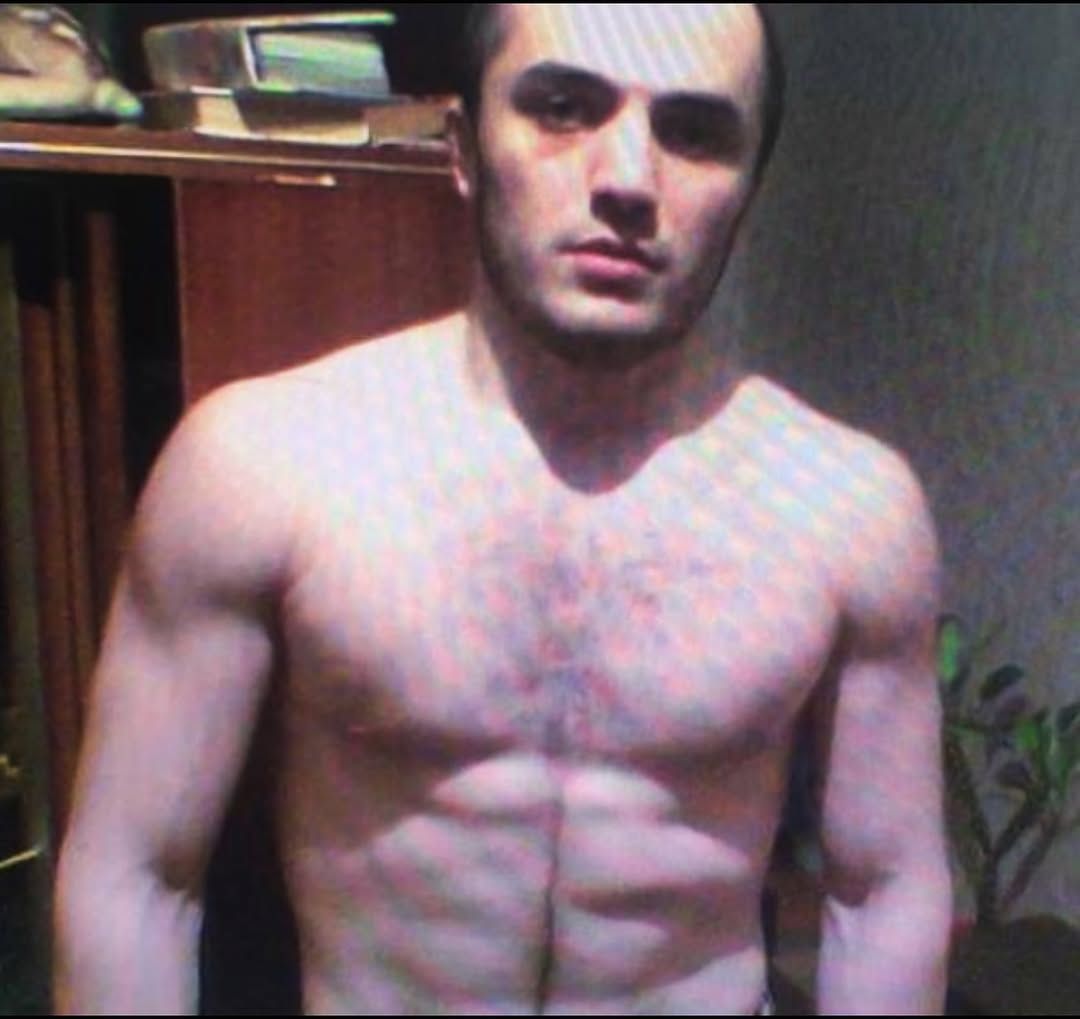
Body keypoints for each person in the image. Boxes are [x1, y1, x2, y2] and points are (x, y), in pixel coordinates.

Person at [54, 4, 952, 1014]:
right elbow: (136, 878)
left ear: (748, 189)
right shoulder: (262, 462)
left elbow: (882, 894)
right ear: (463, 149)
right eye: (562, 107)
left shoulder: (845, 507)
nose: (627, 179)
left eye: (695, 132)